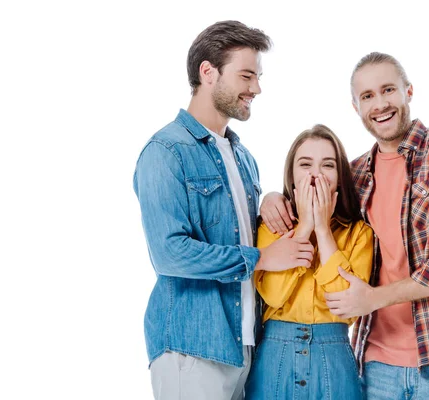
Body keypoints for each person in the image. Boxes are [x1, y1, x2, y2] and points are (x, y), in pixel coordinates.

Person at [260, 52, 429, 399]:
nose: (379, 104)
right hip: (377, 361)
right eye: (367, 96)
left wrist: (372, 299)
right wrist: (272, 198)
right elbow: (312, 183)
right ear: (356, 107)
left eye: (388, 90)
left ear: (408, 91)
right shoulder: (355, 174)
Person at [133, 21, 315, 400]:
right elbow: (170, 254)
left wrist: (268, 203)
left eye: (259, 76)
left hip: (243, 344)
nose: (257, 88)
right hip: (192, 347)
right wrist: (261, 257)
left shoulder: (242, 157)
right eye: (247, 75)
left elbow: (236, 232)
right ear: (208, 72)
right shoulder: (166, 151)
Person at [245, 124, 373, 400]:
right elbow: (274, 295)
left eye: (328, 165)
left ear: (339, 177)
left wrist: (324, 230)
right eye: (305, 164)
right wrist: (304, 226)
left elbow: (346, 307)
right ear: (291, 174)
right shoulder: (270, 227)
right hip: (275, 356)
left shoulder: (359, 233)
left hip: (334, 356)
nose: (315, 174)